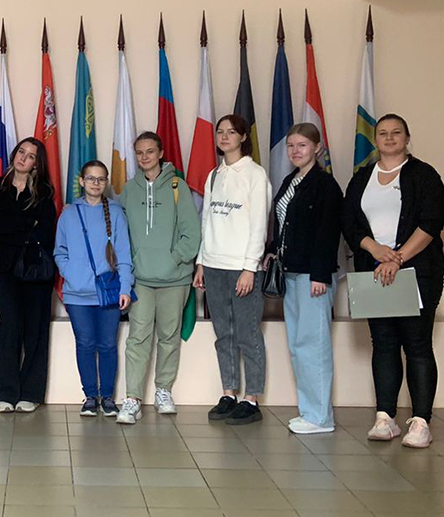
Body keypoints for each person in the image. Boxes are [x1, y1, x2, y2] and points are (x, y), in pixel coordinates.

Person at [343, 114, 444, 448]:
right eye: (383, 133)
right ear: (375, 140)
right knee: (384, 343)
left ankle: (420, 422)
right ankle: (385, 417)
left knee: (417, 344)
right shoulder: (362, 178)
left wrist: (398, 258)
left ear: (407, 137)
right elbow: (350, 223)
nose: (389, 138)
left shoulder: (423, 175)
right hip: (373, 272)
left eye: (396, 133)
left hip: (417, 273)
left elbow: (432, 222)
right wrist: (376, 250)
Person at [263, 123, 343, 434]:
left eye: (302, 145)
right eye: (291, 146)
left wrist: (320, 274)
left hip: (313, 276)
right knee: (298, 345)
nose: (295, 151)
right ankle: (309, 411)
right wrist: (272, 251)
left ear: (317, 148)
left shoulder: (325, 186)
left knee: (314, 345)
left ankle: (321, 418)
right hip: (291, 272)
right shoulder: (290, 181)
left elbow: (328, 233)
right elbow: (283, 225)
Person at [116, 132, 201, 424]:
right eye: (139, 152)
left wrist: (174, 259)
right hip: (140, 278)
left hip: (175, 279)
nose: (144, 157)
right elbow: (120, 231)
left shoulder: (178, 186)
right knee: (137, 338)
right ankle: (132, 399)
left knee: (169, 337)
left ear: (161, 153)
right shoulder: (129, 189)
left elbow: (192, 233)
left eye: (150, 151)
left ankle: (163, 390)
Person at [194, 114, 271, 425]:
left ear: (243, 137)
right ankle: (229, 393)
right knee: (222, 333)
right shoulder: (214, 175)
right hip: (214, 266)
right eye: (220, 132)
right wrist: (201, 262)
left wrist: (250, 267)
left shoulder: (255, 174)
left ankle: (251, 398)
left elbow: (259, 225)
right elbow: (207, 221)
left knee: (247, 333)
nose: (224, 137)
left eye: (231, 132)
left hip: (242, 268)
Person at [54, 160, 133, 417]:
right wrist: (72, 275)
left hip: (109, 292)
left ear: (106, 182)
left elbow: (124, 254)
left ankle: (107, 397)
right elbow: (60, 252)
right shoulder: (69, 214)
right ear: (81, 181)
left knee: (108, 345)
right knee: (85, 344)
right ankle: (90, 396)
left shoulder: (116, 213)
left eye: (101, 179)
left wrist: (125, 287)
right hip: (77, 294)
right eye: (91, 178)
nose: (96, 183)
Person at [0, 137, 57, 413]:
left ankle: (31, 392)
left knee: (35, 332)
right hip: (8, 270)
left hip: (37, 271)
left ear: (36, 164)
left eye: (30, 156)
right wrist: (27, 222)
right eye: (21, 152)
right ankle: (6, 392)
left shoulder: (45, 192)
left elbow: (46, 233)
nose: (23, 158)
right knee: (9, 330)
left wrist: (12, 225)